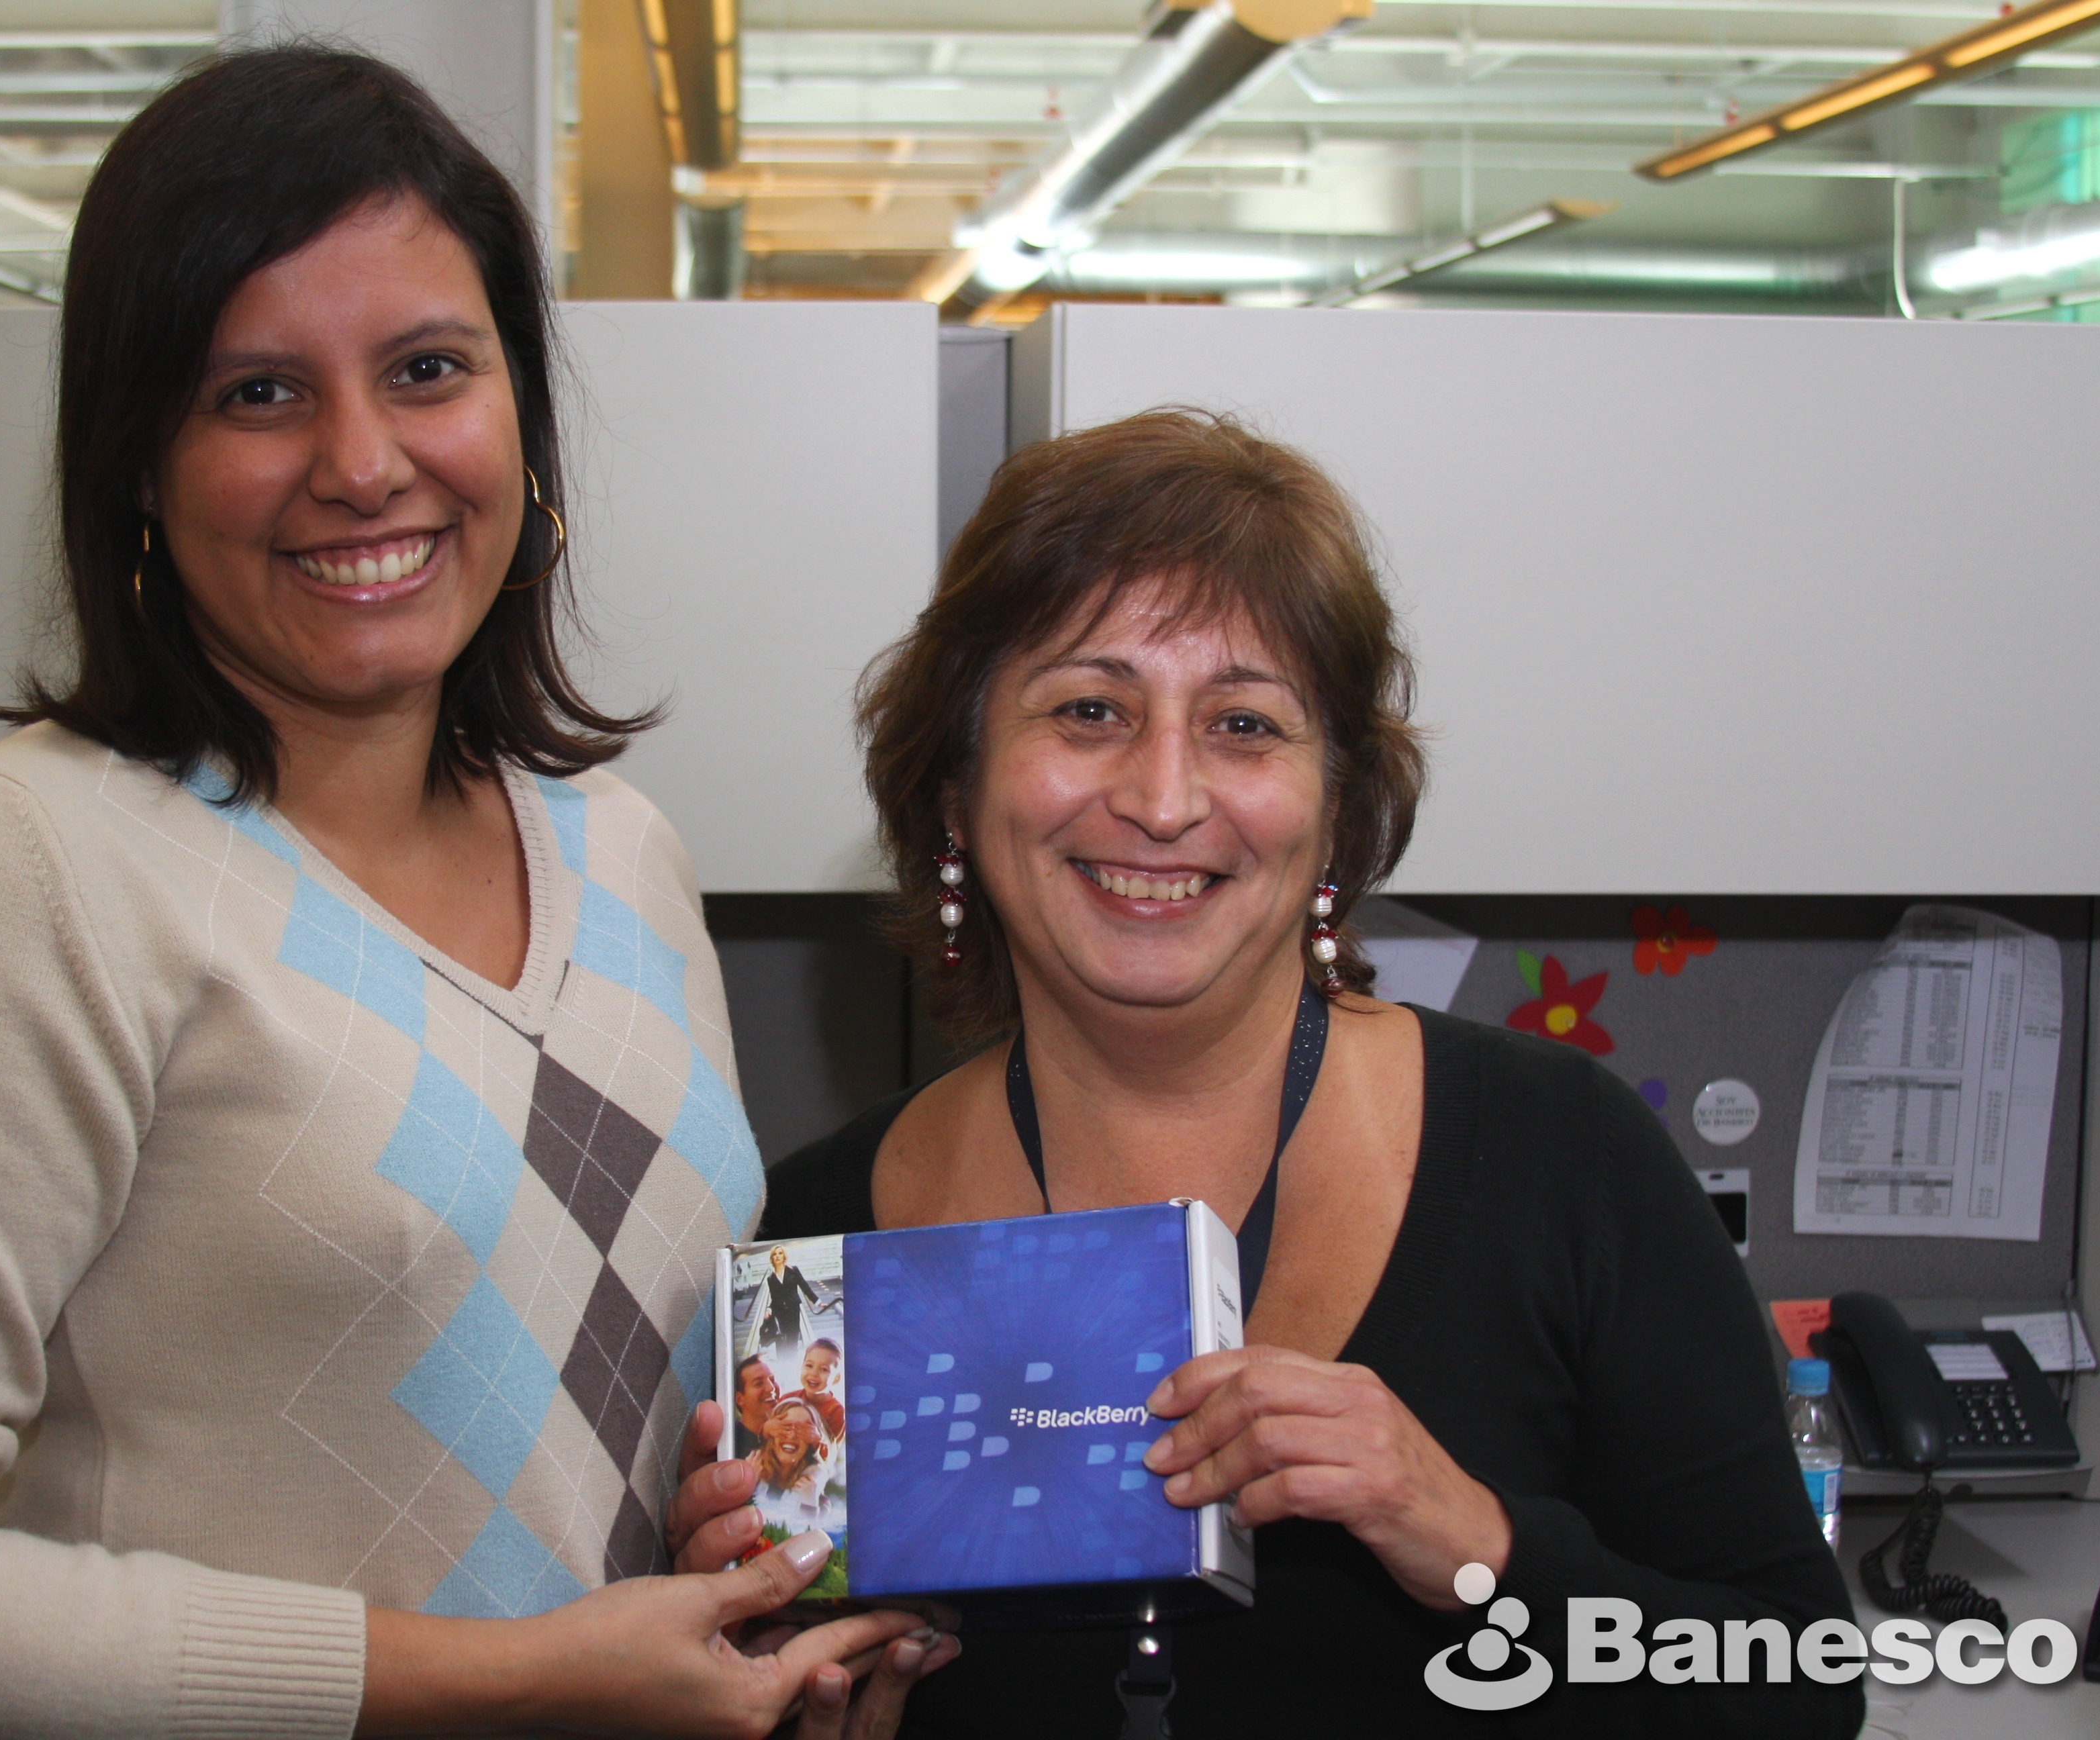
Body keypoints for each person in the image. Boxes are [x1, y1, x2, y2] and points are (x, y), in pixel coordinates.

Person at [0, 46, 947, 1740]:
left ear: (519, 412)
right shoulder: (25, 871)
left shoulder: (618, 848)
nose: (362, 462)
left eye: (427, 369)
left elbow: (582, 1454)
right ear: (136, 463)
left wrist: (760, 1612)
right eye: (258, 393)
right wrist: (514, 1685)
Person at [669, 411, 1864, 1736]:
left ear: (1337, 808)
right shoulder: (817, 1262)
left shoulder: (1563, 1159)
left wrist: (1474, 1543)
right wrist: (775, 1689)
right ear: (957, 787)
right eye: (1088, 709)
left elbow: (1800, 1691)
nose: (1164, 798)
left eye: (1243, 723)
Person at [748, 1398, 834, 1518]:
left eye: (802, 1431)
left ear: (812, 1444)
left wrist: (809, 1504)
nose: (792, 1435)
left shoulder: (819, 1501)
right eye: (785, 1428)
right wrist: (746, 1488)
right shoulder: (750, 1469)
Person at [755, 1243, 824, 1357]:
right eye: (775, 1254)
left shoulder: (793, 1270)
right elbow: (774, 1298)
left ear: (784, 1256)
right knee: (782, 1339)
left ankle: (792, 1359)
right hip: (780, 1312)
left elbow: (805, 1287)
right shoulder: (770, 1279)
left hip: (793, 1309)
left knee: (793, 1338)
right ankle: (784, 1361)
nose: (777, 1256)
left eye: (780, 1253)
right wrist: (769, 1309)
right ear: (772, 1258)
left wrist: (818, 1302)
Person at [798, 1338, 847, 1443]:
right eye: (809, 1366)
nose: (813, 1373)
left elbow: (833, 1449)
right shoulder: (788, 1399)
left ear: (837, 1378)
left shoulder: (836, 1412)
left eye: (824, 1369)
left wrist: (816, 1438)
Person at [732, 1353, 781, 1456]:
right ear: (740, 1399)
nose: (771, 1388)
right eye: (759, 1383)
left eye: (772, 1380)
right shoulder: (731, 1442)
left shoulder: (790, 1435)